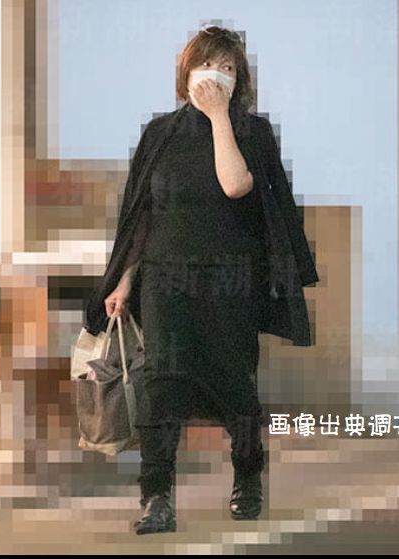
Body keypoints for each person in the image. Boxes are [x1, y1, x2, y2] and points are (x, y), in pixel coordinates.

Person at [105, 26, 277, 535]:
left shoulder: (251, 131)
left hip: (229, 279)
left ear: (240, 79)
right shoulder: (159, 133)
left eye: (228, 68)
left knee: (234, 383)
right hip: (165, 277)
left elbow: (236, 185)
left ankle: (248, 477)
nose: (216, 75)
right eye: (207, 65)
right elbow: (142, 215)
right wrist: (125, 279)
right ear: (186, 74)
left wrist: (220, 117)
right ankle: (156, 498)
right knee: (160, 385)